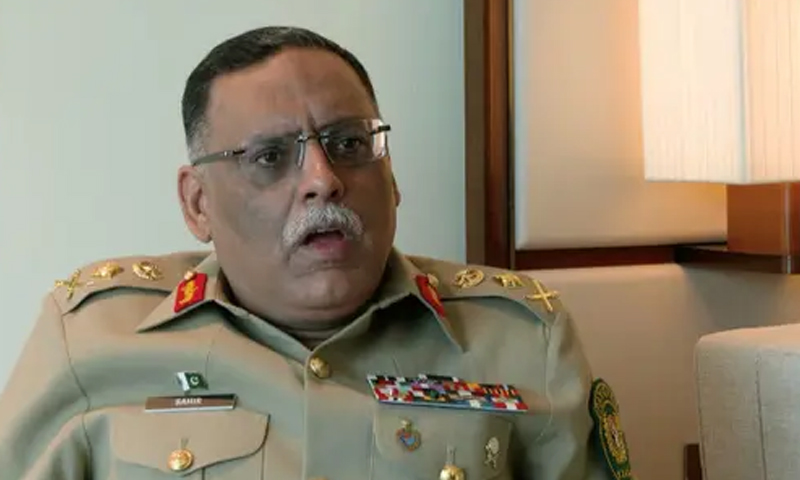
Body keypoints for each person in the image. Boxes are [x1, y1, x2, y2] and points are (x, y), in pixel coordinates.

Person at [0, 26, 633, 480]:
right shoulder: (89, 338)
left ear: (391, 175)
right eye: (270, 157)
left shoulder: (523, 339)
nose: (323, 180)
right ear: (198, 204)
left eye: (349, 144)